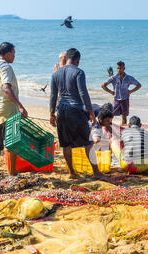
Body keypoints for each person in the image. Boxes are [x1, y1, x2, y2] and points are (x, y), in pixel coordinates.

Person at [50, 48, 104, 179]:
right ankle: (96, 172)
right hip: (76, 111)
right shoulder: (79, 72)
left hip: (61, 110)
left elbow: (53, 95)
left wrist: (51, 114)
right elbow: (83, 93)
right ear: (77, 61)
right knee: (88, 142)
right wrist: (91, 113)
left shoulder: (55, 74)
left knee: (66, 144)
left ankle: (72, 173)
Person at [0, 42, 28, 178]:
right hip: (9, 109)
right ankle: (12, 172)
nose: (14, 56)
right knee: (13, 141)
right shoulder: (6, 67)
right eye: (13, 53)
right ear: (7, 54)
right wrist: (20, 106)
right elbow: (6, 88)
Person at [101, 61, 141, 126]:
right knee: (111, 115)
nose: (119, 70)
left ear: (124, 68)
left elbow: (139, 85)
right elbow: (103, 86)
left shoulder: (129, 78)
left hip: (125, 99)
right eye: (118, 68)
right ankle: (109, 127)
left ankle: (123, 129)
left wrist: (130, 91)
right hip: (116, 99)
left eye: (120, 68)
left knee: (124, 116)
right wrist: (111, 92)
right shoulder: (113, 78)